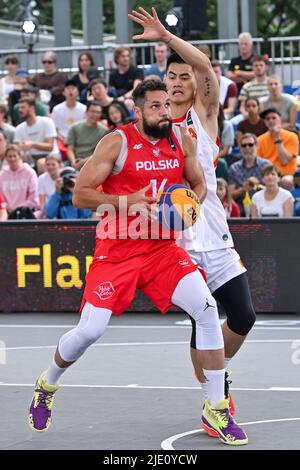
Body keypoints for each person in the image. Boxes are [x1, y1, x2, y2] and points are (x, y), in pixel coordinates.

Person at [28, 78, 247, 446]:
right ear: (139, 110)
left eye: (167, 105)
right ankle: (47, 384)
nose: (164, 113)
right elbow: (81, 194)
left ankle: (216, 407)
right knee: (89, 332)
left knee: (207, 309)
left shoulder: (183, 140)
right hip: (117, 251)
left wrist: (187, 203)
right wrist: (126, 201)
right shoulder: (117, 142)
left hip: (162, 249)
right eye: (156, 107)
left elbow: (199, 184)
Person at [129, 7, 255, 440]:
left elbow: (203, 65)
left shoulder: (202, 117)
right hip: (176, 237)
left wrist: (164, 35)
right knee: (204, 317)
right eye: (172, 77)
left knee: (244, 315)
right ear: (163, 85)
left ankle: (218, 377)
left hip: (214, 232)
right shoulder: (154, 124)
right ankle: (212, 400)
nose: (180, 81)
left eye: (185, 77)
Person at [14, 97, 58, 174]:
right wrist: (21, 150)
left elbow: (50, 147)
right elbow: (17, 149)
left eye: (23, 107)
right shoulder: (19, 128)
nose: (20, 110)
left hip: (49, 157)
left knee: (41, 163)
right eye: (19, 108)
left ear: (32, 108)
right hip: (30, 159)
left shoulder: (46, 122)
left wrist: (32, 144)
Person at [228, 133, 268, 216]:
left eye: (250, 145)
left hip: (264, 201)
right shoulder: (234, 168)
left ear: (257, 146)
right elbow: (230, 195)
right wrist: (243, 189)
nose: (247, 148)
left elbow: (274, 188)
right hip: (241, 204)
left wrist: (258, 185)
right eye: (244, 145)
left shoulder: (265, 165)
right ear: (240, 148)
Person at [66, 100, 108, 170]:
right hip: (75, 161)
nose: (95, 115)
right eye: (92, 111)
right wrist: (73, 161)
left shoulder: (104, 131)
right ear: (86, 112)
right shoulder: (74, 127)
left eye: (98, 112)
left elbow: (101, 153)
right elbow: (70, 149)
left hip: (93, 162)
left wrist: (83, 162)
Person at [0, 144, 38, 218]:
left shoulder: (29, 172)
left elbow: (33, 198)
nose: (12, 159)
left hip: (26, 211)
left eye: (15, 156)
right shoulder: (2, 174)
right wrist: (7, 207)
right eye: (10, 156)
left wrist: (18, 207)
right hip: (7, 211)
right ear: (6, 158)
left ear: (19, 156)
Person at [258, 108, 299, 176]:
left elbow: (284, 161)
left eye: (274, 118)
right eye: (267, 119)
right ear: (265, 122)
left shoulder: (292, 136)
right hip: (267, 175)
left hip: (287, 174)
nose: (271, 120)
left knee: (286, 181)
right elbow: (259, 163)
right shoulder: (259, 139)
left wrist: (277, 138)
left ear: (280, 119)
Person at [52, 79, 86, 159]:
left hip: (79, 140)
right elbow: (55, 129)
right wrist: (63, 139)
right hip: (62, 140)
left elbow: (85, 128)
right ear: (64, 93)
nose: (71, 91)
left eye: (73, 89)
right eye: (68, 89)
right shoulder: (57, 109)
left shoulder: (84, 109)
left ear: (77, 92)